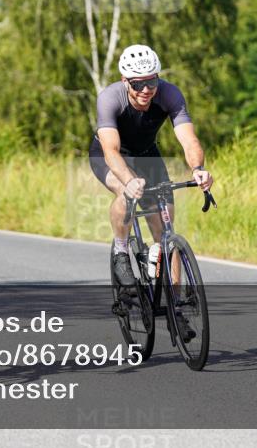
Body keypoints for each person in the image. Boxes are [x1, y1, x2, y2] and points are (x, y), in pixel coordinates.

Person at [88, 45, 214, 339]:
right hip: (110, 156)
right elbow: (111, 150)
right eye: (138, 83)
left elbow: (188, 139)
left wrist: (198, 169)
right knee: (125, 192)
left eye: (152, 81)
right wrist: (129, 181)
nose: (147, 89)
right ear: (125, 81)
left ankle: (176, 308)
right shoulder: (110, 98)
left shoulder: (170, 94)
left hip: (147, 154)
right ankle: (122, 251)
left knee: (166, 226)